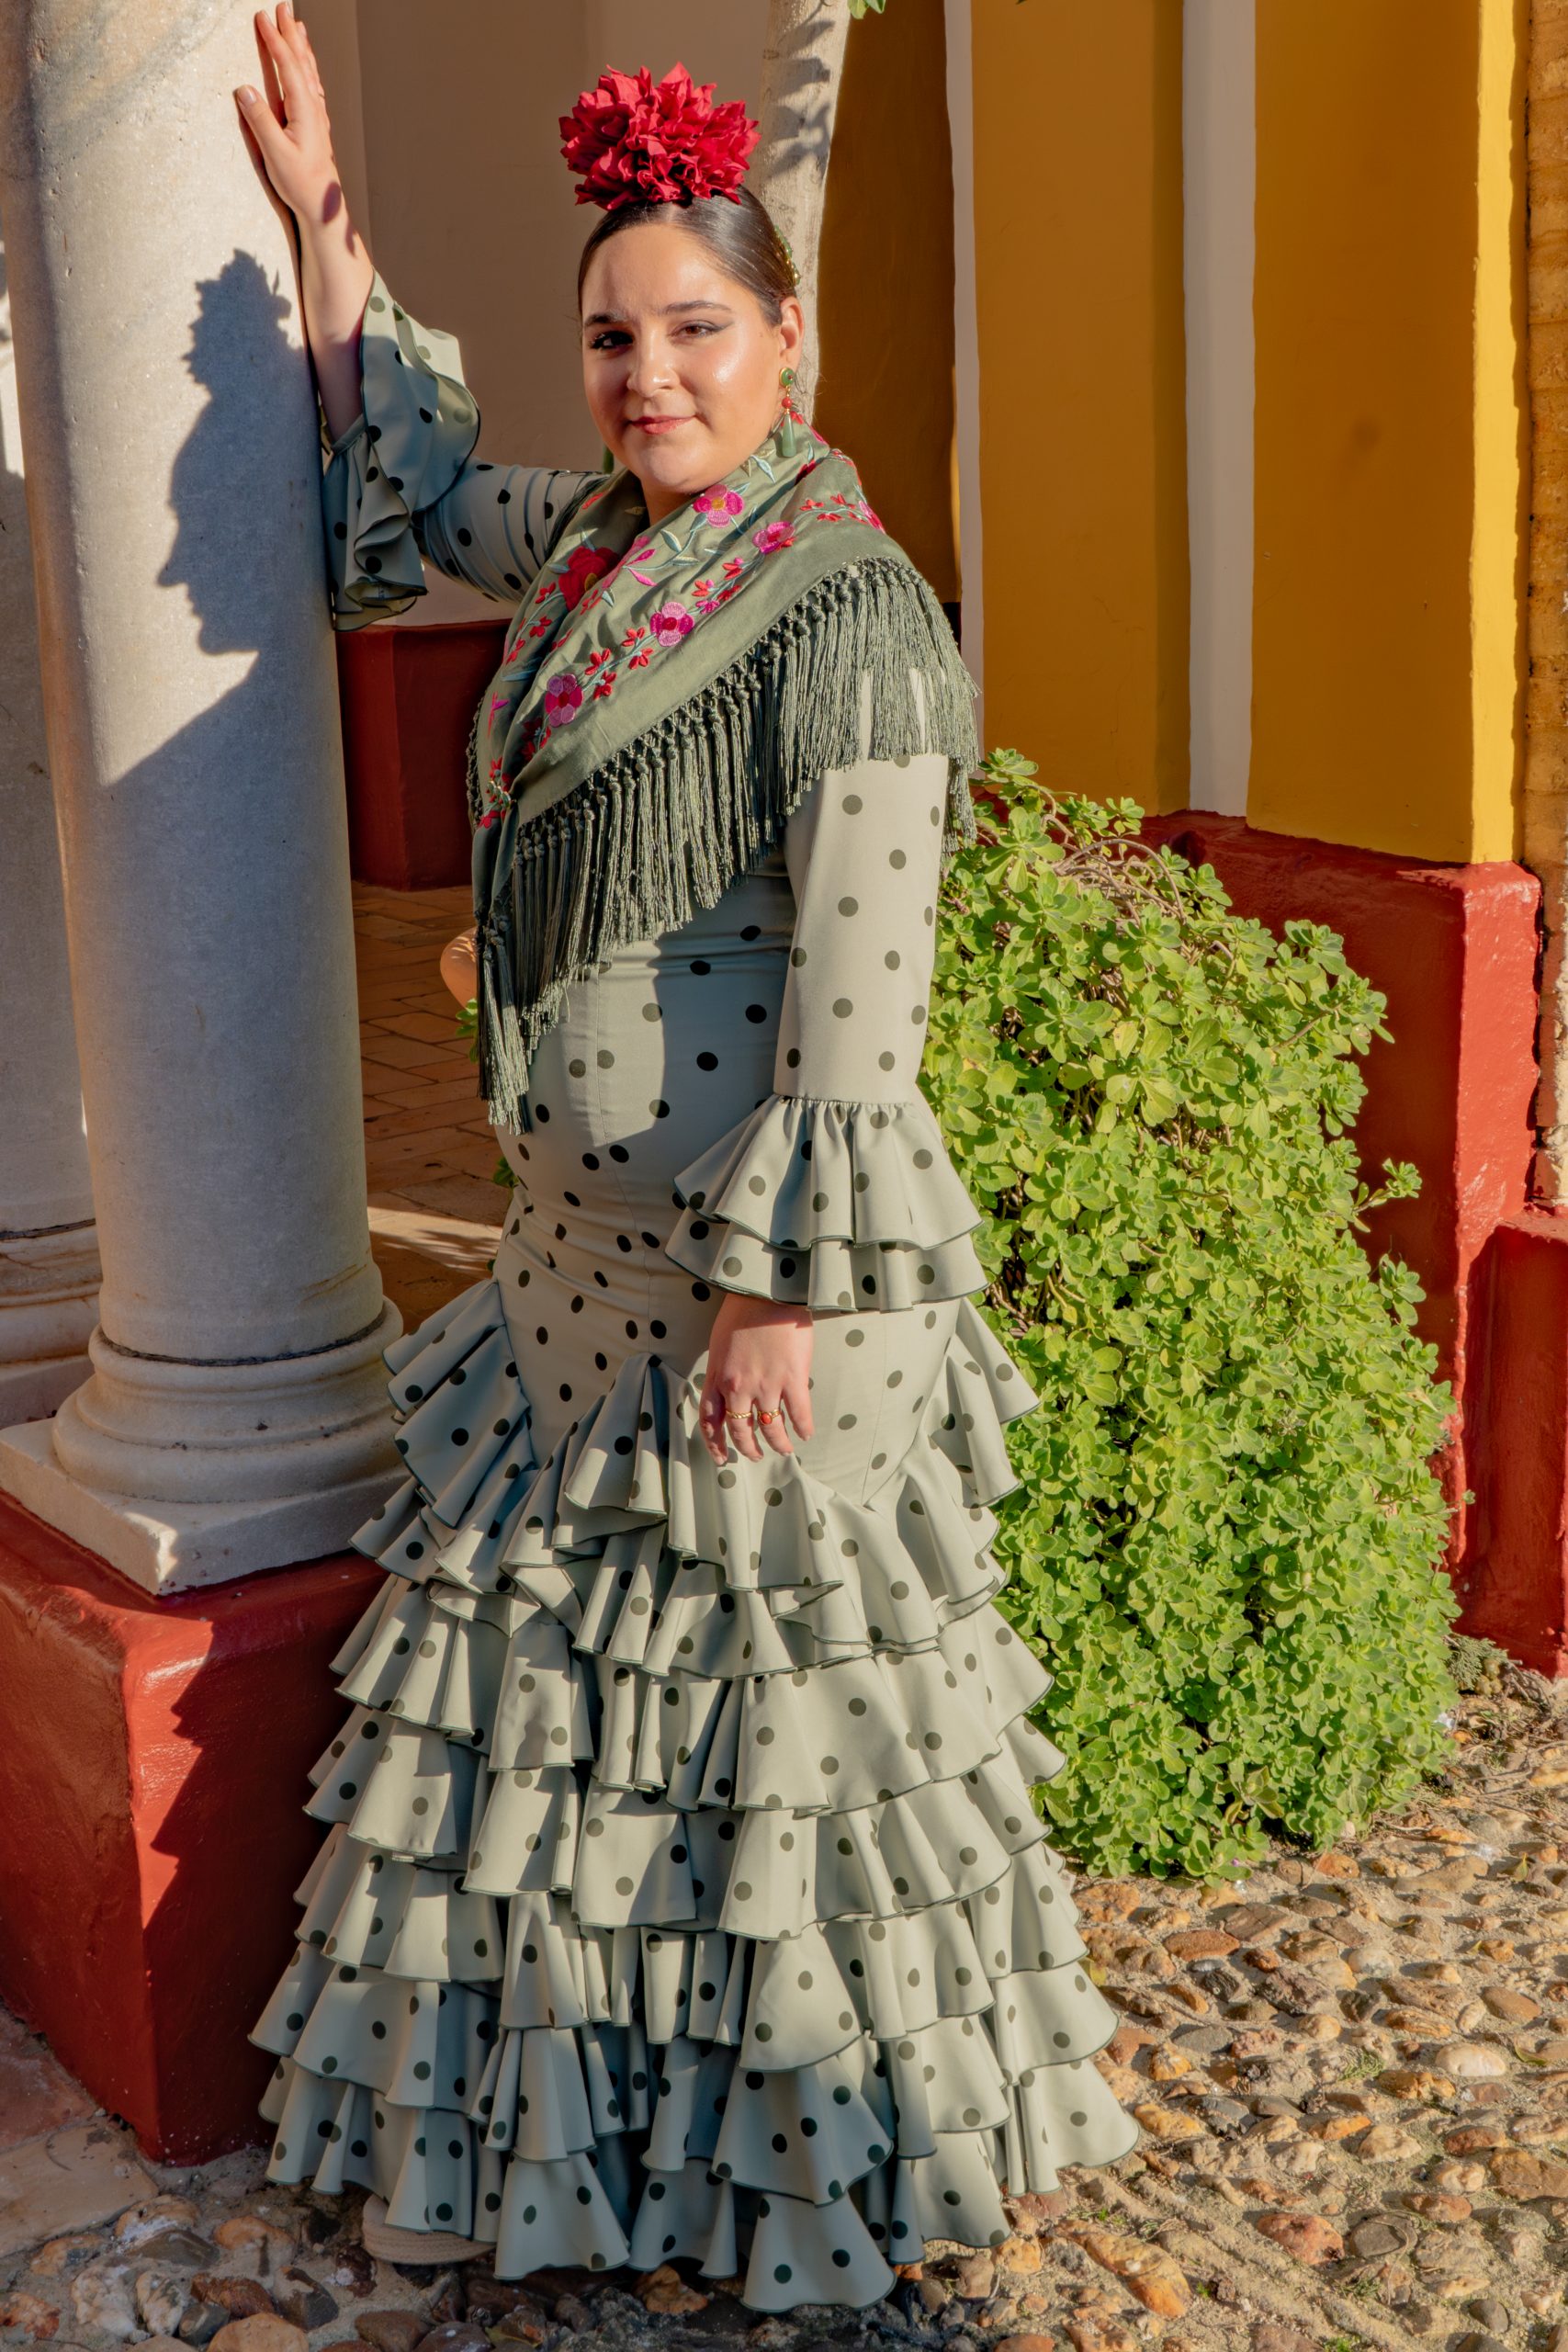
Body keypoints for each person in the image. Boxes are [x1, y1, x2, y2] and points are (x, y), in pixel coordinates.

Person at [238, 8, 1141, 2311]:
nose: (648, 378)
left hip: (741, 1291)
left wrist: (777, 1295)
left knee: (761, 1766)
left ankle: (791, 2186)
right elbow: (433, 497)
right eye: (614, 338)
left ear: (790, 341)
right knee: (559, 1740)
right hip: (562, 1272)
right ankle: (552, 2161)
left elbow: (861, 1006)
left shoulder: (841, 618)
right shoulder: (586, 558)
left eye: (697, 332)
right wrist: (331, 246)